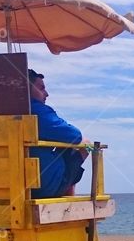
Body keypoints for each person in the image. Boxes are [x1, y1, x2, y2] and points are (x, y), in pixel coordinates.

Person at [28, 69, 89, 198]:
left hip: (5, 188)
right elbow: (75, 135)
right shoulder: (37, 111)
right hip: (42, 189)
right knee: (85, 145)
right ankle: (69, 198)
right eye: (41, 88)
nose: (46, 93)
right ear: (26, 89)